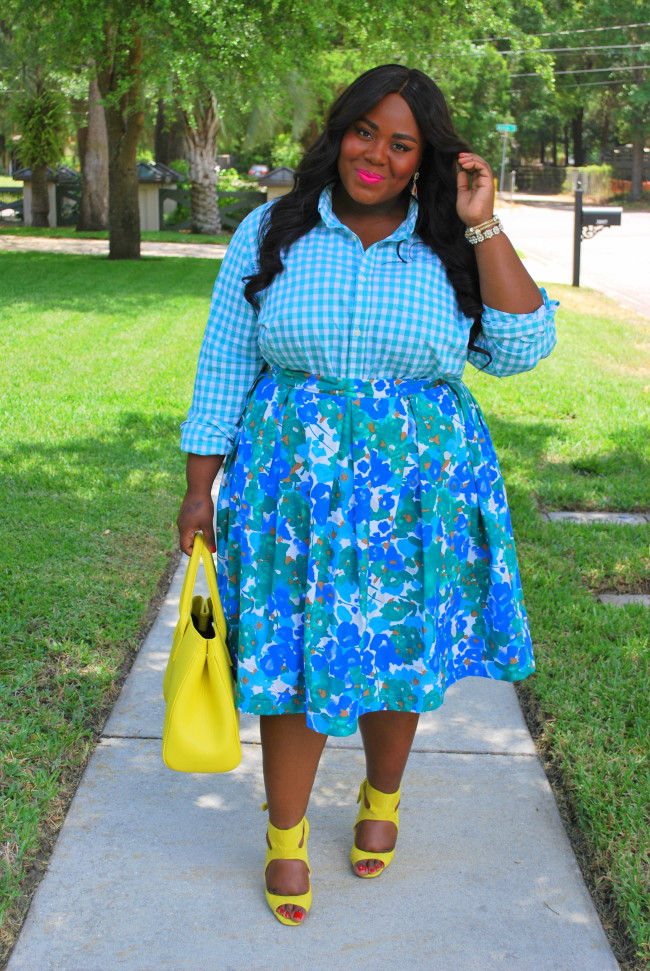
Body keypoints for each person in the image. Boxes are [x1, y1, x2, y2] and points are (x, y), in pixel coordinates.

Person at [177, 64, 557, 926]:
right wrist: (200, 489)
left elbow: (525, 344)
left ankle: (382, 797)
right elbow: (224, 362)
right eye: (364, 132)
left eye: (401, 143)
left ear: (428, 158)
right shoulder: (272, 231)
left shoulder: (452, 240)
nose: (375, 155)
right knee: (295, 657)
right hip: (291, 491)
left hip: (417, 491)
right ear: (338, 130)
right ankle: (285, 833)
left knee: (396, 649)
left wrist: (483, 220)